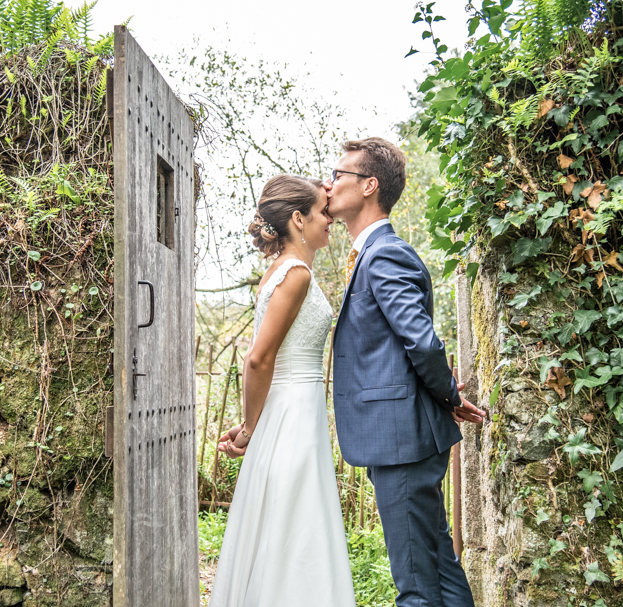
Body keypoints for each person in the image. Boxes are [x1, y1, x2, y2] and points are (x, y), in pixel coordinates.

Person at [327, 137, 487, 607]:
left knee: (415, 584)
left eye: (340, 175)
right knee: (437, 561)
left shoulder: (384, 254)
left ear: (369, 185)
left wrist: (449, 397)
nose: (330, 183)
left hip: (399, 440)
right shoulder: (373, 254)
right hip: (403, 437)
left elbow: (420, 340)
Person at [209, 175, 355, 607]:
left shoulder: (279, 271)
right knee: (295, 524)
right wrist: (250, 428)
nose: (330, 220)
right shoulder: (296, 276)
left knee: (284, 523)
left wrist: (252, 424)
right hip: (291, 413)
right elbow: (258, 358)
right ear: (298, 218)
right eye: (323, 212)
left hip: (290, 409)